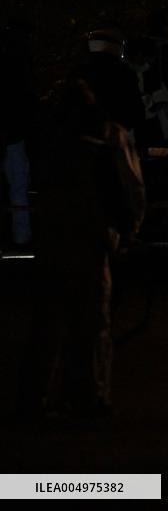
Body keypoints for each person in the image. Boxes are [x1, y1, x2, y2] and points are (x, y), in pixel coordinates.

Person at [18, 79, 144, 420]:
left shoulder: (51, 137)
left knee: (47, 325)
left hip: (54, 240)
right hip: (91, 240)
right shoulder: (108, 137)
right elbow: (128, 189)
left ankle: (35, 398)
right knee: (91, 324)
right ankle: (89, 397)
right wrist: (128, 232)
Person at [1, 18, 36, 251]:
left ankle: (20, 236)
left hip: (13, 132)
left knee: (17, 184)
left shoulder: (16, 63)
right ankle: (21, 237)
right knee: (18, 184)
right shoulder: (20, 65)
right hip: (14, 133)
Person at [72, 25, 145, 134]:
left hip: (92, 134)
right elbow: (137, 113)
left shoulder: (79, 73)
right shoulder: (123, 72)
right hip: (120, 131)